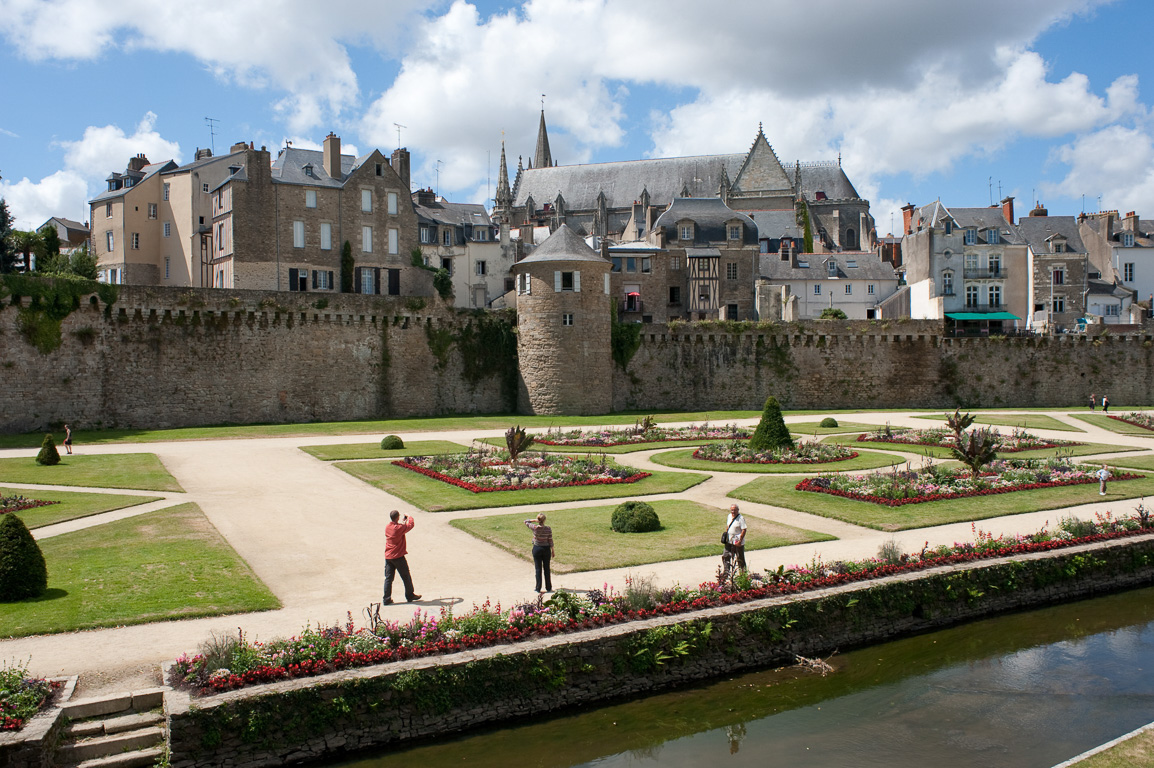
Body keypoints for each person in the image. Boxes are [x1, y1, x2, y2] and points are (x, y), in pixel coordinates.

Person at [382, 510, 420, 605]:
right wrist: (409, 516)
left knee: (388, 578)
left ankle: (386, 599)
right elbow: (410, 525)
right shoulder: (398, 528)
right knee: (406, 576)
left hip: (388, 557)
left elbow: (400, 528)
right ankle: (410, 595)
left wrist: (403, 521)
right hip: (398, 556)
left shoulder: (388, 527)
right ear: (397, 517)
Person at [524, 513, 554, 593]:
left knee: (538, 569)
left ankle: (538, 588)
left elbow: (526, 521)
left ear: (538, 520)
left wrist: (534, 520)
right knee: (547, 568)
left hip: (537, 548)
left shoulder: (535, 528)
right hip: (546, 549)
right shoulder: (548, 529)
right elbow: (550, 540)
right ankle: (548, 587)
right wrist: (553, 550)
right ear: (544, 520)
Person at [724, 504, 747, 572]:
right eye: (732, 510)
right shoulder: (729, 516)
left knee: (740, 558)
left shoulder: (741, 518)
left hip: (737, 541)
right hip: (729, 541)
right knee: (726, 556)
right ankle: (726, 572)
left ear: (738, 510)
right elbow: (728, 526)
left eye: (734, 510)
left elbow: (744, 529)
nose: (733, 511)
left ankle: (743, 573)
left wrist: (740, 540)